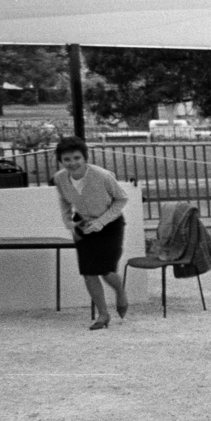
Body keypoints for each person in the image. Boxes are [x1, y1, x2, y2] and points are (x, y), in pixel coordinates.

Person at [53, 136, 130, 329]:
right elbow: (64, 200)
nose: (72, 163)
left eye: (77, 158)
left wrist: (101, 222)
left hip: (109, 225)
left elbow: (121, 199)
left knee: (105, 270)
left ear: (85, 157)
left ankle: (120, 292)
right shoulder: (60, 178)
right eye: (67, 159)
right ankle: (103, 315)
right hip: (82, 225)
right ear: (61, 161)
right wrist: (68, 221)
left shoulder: (102, 175)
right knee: (88, 272)